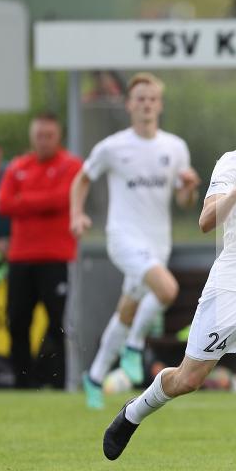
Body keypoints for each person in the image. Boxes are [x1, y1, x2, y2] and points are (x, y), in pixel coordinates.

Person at [102, 87, 236, 471]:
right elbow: (206, 222)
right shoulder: (229, 165)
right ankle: (134, 412)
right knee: (187, 380)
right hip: (232, 291)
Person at [71, 72, 200, 409]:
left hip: (158, 242)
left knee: (128, 308)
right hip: (123, 237)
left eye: (152, 99)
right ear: (129, 105)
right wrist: (76, 214)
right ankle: (134, 346)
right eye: (139, 98)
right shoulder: (113, 146)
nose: (146, 104)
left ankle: (96, 375)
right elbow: (82, 179)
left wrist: (188, 189)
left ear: (159, 105)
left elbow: (185, 201)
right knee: (167, 289)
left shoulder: (175, 147)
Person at [0, 113, 83, 388]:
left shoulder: (70, 165)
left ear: (58, 137)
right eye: (39, 136)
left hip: (56, 257)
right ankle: (22, 382)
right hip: (20, 257)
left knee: (57, 323)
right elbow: (3, 203)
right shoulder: (17, 166)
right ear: (31, 137)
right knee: (17, 321)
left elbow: (63, 198)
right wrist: (39, 202)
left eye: (49, 135)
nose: (43, 141)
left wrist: (25, 199)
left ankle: (56, 381)